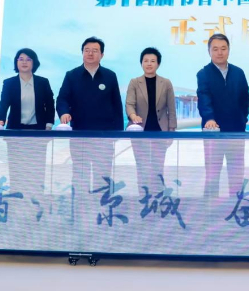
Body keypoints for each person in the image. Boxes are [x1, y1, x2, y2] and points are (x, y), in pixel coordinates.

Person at [56, 37, 123, 205]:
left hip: (104, 136)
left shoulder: (110, 76)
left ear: (102, 55)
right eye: (87, 50)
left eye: (95, 51)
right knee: (80, 173)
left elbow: (116, 104)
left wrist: (117, 132)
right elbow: (62, 98)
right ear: (82, 53)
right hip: (79, 134)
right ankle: (79, 207)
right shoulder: (72, 75)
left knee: (103, 173)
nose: (90, 53)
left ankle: (103, 208)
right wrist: (64, 113)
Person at [0, 48, 54, 200]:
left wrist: (49, 125)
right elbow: (4, 104)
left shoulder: (42, 82)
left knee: (37, 167)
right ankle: (17, 196)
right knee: (16, 167)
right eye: (21, 59)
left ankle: (37, 198)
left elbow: (50, 104)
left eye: (28, 59)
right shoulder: (9, 83)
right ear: (16, 62)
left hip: (38, 132)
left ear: (34, 63)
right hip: (16, 131)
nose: (24, 62)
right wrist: (0, 121)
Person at [196, 33, 249, 197]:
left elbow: (245, 99)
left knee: (236, 173)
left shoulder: (239, 73)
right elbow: (204, 98)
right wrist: (209, 119)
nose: (219, 52)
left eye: (223, 48)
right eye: (215, 49)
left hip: (236, 132)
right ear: (209, 51)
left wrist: (242, 119)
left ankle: (236, 206)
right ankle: (210, 207)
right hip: (214, 132)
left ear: (228, 50)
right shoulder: (203, 73)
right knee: (212, 173)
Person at [125, 47, 177, 194]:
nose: (149, 64)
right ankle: (143, 196)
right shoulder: (134, 82)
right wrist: (133, 116)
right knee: (142, 166)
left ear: (158, 64)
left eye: (153, 61)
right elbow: (129, 104)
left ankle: (158, 196)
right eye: (146, 61)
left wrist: (171, 131)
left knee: (158, 167)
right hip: (139, 131)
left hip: (160, 132)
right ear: (141, 63)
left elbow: (171, 108)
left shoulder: (166, 83)